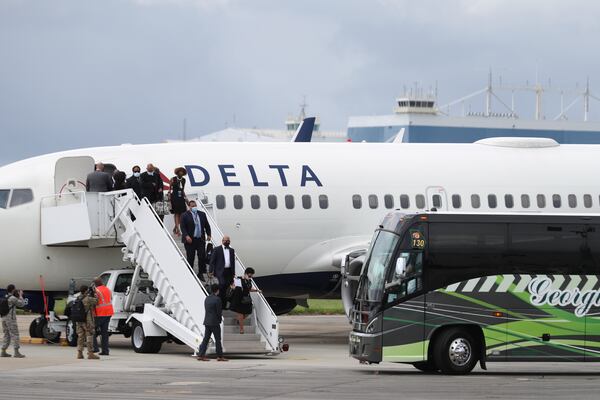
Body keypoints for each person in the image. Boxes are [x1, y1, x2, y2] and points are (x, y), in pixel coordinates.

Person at [180, 200, 211, 280]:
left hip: (200, 239)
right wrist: (186, 236)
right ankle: (189, 273)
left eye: (195, 205)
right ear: (189, 207)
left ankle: (201, 273)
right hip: (190, 240)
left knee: (201, 256)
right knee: (190, 257)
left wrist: (209, 234)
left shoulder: (202, 214)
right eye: (192, 206)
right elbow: (183, 227)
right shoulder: (184, 215)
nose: (194, 207)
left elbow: (207, 225)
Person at [196, 284, 228, 362]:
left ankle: (201, 355)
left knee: (206, 339)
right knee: (217, 339)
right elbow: (218, 311)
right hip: (214, 322)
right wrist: (219, 320)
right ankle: (219, 356)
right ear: (217, 290)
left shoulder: (207, 298)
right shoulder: (217, 299)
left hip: (207, 321)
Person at [229, 267, 261, 334]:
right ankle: (241, 329)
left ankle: (239, 320)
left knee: (248, 312)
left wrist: (256, 290)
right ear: (245, 274)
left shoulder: (249, 281)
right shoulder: (239, 279)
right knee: (240, 314)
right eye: (249, 275)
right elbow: (235, 288)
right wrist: (234, 284)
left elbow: (248, 289)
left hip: (246, 299)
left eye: (251, 276)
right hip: (239, 299)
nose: (250, 277)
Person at [209, 236, 235, 307]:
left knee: (227, 287)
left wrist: (233, 273)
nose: (227, 242)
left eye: (228, 241)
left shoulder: (232, 250)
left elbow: (233, 262)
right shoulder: (217, 249)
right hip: (220, 271)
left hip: (229, 271)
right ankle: (219, 303)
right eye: (226, 240)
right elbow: (212, 261)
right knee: (222, 285)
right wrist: (210, 271)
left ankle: (224, 305)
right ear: (222, 241)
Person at [75, 285, 99, 360]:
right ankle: (90, 353)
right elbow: (97, 301)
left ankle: (79, 353)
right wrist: (94, 293)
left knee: (80, 337)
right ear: (86, 290)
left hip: (79, 321)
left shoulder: (78, 298)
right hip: (87, 321)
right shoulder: (88, 299)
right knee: (89, 336)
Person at [1, 285, 25, 358]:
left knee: (6, 334)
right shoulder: (12, 298)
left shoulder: (5, 297)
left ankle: (3, 351)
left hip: (3, 318)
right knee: (15, 334)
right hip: (10, 319)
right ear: (12, 290)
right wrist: (21, 295)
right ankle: (16, 352)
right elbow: (21, 304)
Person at [92, 277, 114, 356]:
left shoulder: (96, 291)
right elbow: (110, 299)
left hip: (100, 313)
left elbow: (95, 302)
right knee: (104, 332)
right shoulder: (108, 289)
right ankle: (105, 351)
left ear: (95, 284)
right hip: (109, 312)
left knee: (91, 329)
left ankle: (95, 347)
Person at [169, 167, 187, 236]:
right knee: (176, 213)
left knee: (182, 213)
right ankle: (178, 230)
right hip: (174, 196)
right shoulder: (173, 179)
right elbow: (169, 189)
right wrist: (169, 197)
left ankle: (175, 227)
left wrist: (186, 198)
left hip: (181, 196)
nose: (181, 173)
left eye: (182, 172)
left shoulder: (184, 180)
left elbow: (183, 190)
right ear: (177, 172)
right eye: (180, 171)